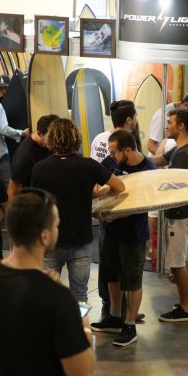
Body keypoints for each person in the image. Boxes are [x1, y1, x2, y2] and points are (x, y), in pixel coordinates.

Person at [0, 191, 95, 376]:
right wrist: (83, 325)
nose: (58, 230)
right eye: (56, 225)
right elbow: (81, 373)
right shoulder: (59, 298)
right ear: (44, 236)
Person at [31, 118, 125, 302]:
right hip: (81, 239)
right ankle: (81, 329)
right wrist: (97, 196)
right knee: (80, 294)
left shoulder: (40, 169)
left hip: (51, 239)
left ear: (52, 139)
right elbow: (119, 186)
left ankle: (51, 329)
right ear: (76, 138)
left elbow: (36, 203)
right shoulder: (88, 165)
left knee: (47, 293)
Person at [90, 130, 156, 346]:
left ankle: (129, 324)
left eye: (114, 152)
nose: (111, 156)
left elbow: (144, 203)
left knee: (132, 279)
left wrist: (113, 214)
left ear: (127, 150)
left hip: (133, 234)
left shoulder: (148, 169)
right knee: (111, 274)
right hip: (111, 231)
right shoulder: (112, 162)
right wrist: (96, 196)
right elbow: (102, 184)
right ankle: (115, 316)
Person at [152, 109, 188, 322]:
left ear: (181, 126)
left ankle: (185, 309)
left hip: (180, 215)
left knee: (176, 262)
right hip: (184, 213)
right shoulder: (179, 149)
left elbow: (174, 187)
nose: (166, 125)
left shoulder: (183, 154)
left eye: (170, 122)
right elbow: (158, 160)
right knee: (181, 258)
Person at [8, 114, 58, 201]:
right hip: (33, 201)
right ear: (39, 134)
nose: (55, 141)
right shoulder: (25, 156)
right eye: (50, 137)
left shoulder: (48, 144)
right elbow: (12, 192)